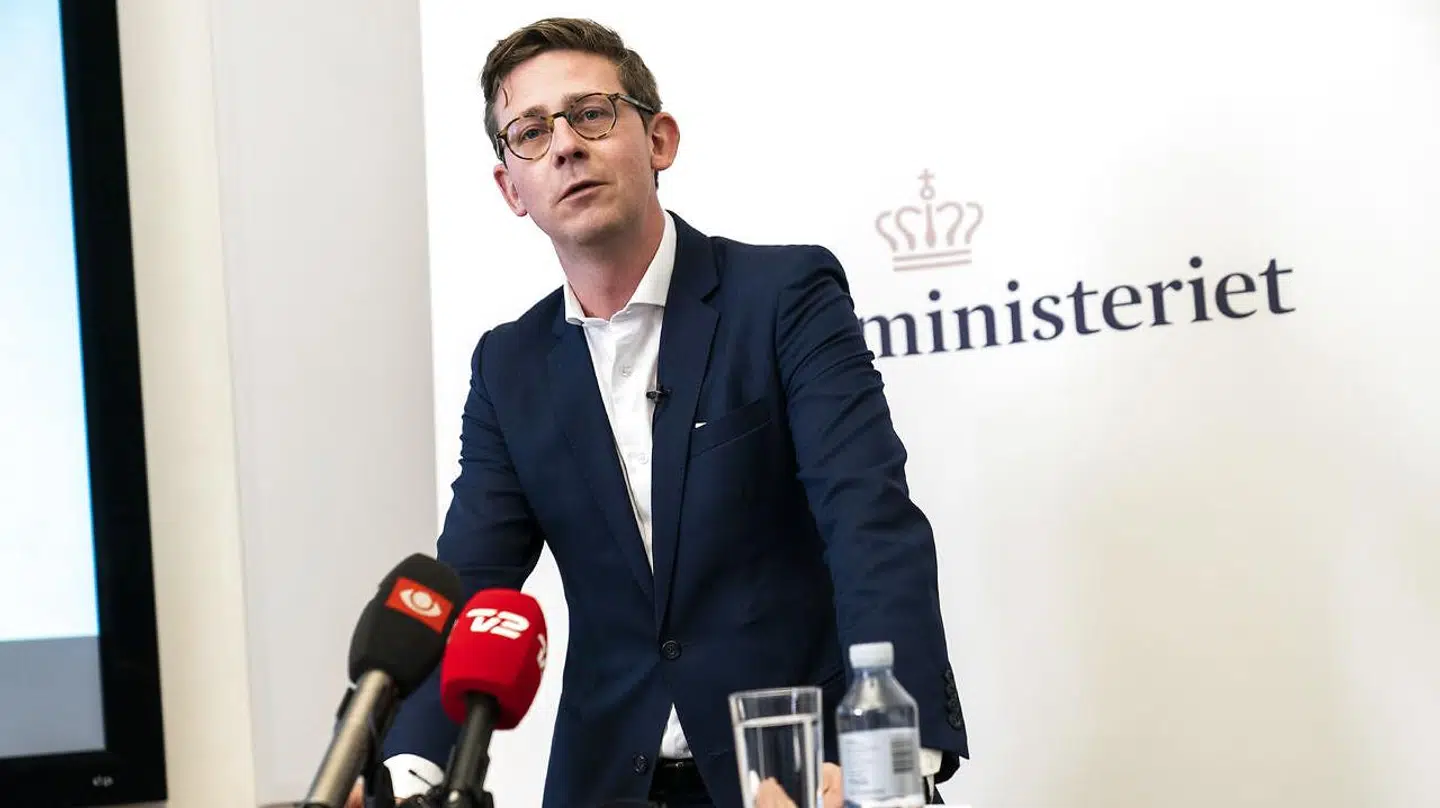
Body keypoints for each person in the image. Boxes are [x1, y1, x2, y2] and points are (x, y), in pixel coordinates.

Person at [369, 16, 968, 808]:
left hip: (797, 772)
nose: (565, 146)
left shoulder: (783, 298)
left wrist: (886, 758)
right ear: (511, 188)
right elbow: (471, 583)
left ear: (659, 140)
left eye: (591, 114)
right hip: (607, 782)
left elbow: (868, 517)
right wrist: (402, 770)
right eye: (531, 132)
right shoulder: (508, 367)